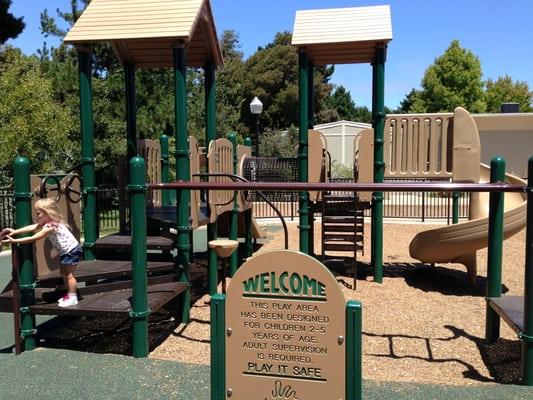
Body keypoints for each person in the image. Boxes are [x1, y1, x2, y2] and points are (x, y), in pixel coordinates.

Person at [2, 198, 82, 307]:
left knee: (69, 275)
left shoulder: (51, 226)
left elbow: (34, 237)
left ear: (47, 213)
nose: (36, 215)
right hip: (68, 251)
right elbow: (33, 227)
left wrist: (15, 240)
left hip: (71, 251)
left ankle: (73, 297)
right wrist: (15, 231)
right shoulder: (48, 222)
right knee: (63, 272)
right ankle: (69, 293)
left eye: (38, 213)